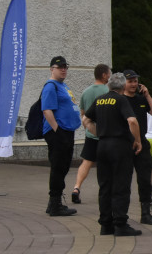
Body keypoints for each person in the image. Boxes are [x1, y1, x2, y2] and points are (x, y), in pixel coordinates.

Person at [83, 71, 142, 237]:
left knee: (105, 185)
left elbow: (85, 120)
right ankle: (120, 224)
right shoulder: (121, 99)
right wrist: (136, 140)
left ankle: (106, 224)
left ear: (108, 85)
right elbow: (132, 121)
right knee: (121, 185)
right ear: (123, 86)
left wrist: (99, 132)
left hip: (102, 145)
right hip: (120, 145)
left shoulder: (100, 99)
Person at [41, 56, 81, 217]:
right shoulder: (51, 86)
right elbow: (47, 110)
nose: (63, 69)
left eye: (65, 67)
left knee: (63, 167)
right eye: (60, 67)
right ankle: (55, 203)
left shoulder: (62, 86)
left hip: (66, 131)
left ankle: (53, 203)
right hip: (58, 132)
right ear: (52, 69)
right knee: (59, 167)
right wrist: (57, 131)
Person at [123, 69, 152, 226]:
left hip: (143, 144)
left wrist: (147, 95)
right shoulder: (120, 99)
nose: (134, 84)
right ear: (123, 83)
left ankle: (146, 213)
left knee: (145, 180)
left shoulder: (141, 98)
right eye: (130, 81)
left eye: (135, 81)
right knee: (124, 180)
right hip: (125, 144)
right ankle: (121, 213)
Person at [72, 64, 111, 204]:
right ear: (104, 75)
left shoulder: (85, 92)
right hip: (106, 134)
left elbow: (83, 114)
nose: (110, 76)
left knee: (86, 162)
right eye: (109, 73)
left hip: (91, 134)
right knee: (106, 164)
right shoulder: (108, 91)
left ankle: (76, 188)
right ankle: (105, 192)